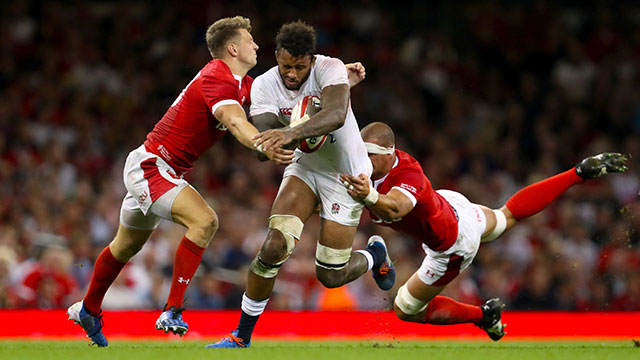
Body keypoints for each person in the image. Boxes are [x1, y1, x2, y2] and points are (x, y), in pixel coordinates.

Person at [66, 16, 295, 347]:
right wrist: (264, 143)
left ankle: (88, 309)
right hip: (152, 166)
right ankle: (172, 310)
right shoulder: (217, 75)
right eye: (250, 40)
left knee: (125, 246)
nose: (257, 45)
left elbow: (278, 94)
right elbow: (234, 121)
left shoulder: (243, 84)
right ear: (233, 48)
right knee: (205, 221)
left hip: (162, 169)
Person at [340, 122, 628, 341]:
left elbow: (394, 209)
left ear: (388, 154)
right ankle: (577, 171)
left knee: (405, 308)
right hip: (452, 205)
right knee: (506, 217)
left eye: (368, 154)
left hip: (452, 243)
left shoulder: (408, 175)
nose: (361, 160)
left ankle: (483, 314)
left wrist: (367, 197)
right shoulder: (368, 168)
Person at [206, 21, 395, 348]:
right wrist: (269, 146)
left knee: (330, 275)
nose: (292, 74)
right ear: (277, 56)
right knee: (274, 247)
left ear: (311, 58)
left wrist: (291, 132)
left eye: (299, 66)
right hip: (305, 168)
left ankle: (374, 256)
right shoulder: (264, 85)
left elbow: (336, 114)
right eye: (285, 66)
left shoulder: (330, 68)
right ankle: (241, 336)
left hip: (346, 175)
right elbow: (264, 138)